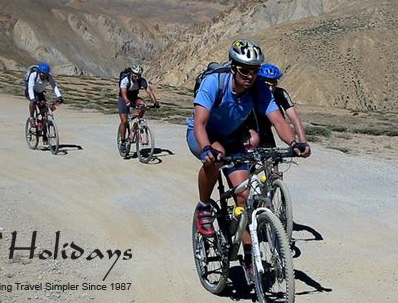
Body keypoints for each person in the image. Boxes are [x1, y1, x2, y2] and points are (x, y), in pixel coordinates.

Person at [187, 40, 310, 271]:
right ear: (233, 67)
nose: (250, 76)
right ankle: (204, 207)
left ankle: (248, 255)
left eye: (254, 71)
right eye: (244, 70)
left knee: (243, 196)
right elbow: (200, 123)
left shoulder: (259, 88)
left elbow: (278, 120)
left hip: (232, 137)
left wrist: (294, 142)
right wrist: (206, 148)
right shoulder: (215, 82)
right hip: (203, 135)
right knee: (217, 156)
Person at [245, 63, 310, 154]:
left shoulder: (280, 94)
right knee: (246, 158)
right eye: (267, 84)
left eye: (274, 84)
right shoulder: (249, 92)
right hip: (248, 127)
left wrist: (303, 143)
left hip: (266, 128)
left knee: (273, 159)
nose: (271, 88)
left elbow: (295, 120)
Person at [118, 65, 159, 150]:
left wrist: (155, 102)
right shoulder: (125, 80)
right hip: (123, 99)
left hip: (133, 97)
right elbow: (123, 93)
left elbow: (149, 91)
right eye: (136, 76)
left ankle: (137, 123)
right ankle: (122, 142)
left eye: (139, 76)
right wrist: (127, 102)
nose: (137, 78)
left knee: (142, 104)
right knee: (124, 121)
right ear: (132, 74)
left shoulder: (142, 81)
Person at [26, 62, 63, 132]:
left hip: (40, 93)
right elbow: (30, 88)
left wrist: (59, 96)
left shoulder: (49, 77)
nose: (43, 76)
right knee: (33, 102)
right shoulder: (33, 75)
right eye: (42, 73)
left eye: (45, 74)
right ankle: (31, 118)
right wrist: (33, 99)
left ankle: (44, 135)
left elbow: (54, 87)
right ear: (39, 72)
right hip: (31, 92)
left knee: (44, 113)